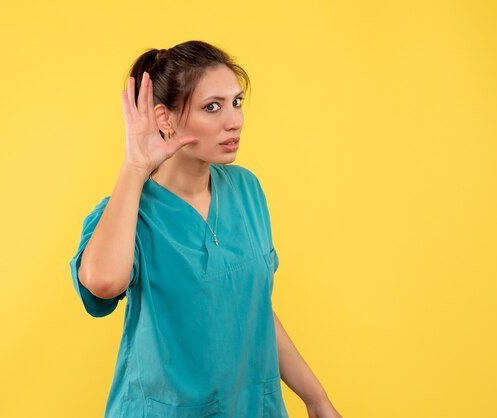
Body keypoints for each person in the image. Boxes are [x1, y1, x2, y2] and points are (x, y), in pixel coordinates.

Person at [69, 40, 342, 418]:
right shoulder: (128, 211)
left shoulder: (246, 189)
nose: (234, 120)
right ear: (165, 119)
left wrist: (316, 398)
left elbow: (255, 312)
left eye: (237, 102)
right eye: (212, 107)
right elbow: (102, 283)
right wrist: (134, 168)